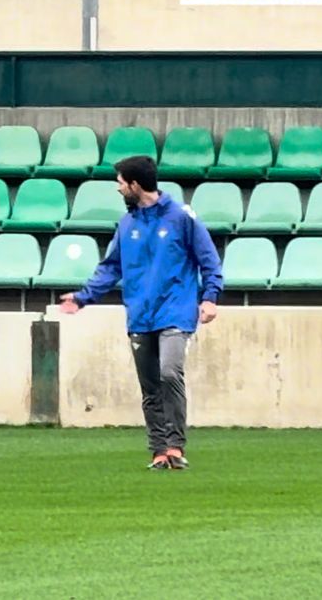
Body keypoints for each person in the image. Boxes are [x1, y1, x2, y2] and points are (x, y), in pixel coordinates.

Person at [59, 155, 223, 470]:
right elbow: (111, 267)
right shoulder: (127, 224)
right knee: (150, 386)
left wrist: (210, 297)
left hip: (175, 309)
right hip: (140, 313)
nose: (118, 189)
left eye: (121, 183)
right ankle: (159, 451)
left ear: (135, 185)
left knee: (169, 372)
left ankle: (175, 444)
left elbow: (209, 260)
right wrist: (83, 298)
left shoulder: (181, 217)